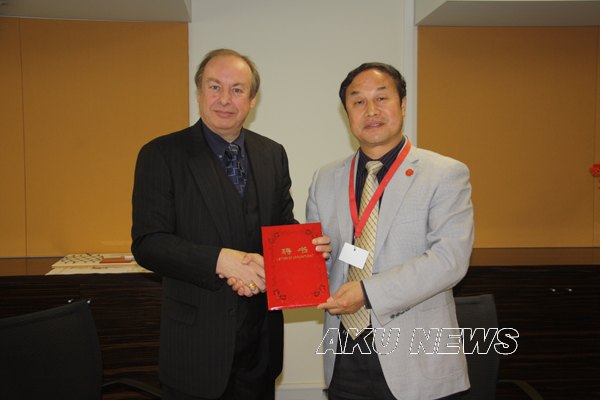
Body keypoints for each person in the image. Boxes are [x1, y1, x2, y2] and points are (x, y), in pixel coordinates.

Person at [131, 48, 330, 400]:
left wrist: (306, 250)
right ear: (199, 93)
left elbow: (281, 227)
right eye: (214, 87)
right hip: (196, 346)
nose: (225, 99)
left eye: (237, 89)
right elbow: (149, 243)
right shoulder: (161, 154)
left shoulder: (272, 154)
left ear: (252, 100)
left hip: (260, 346)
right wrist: (221, 260)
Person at [306, 62, 474, 399]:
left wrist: (367, 292)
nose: (371, 110)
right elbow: (321, 265)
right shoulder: (325, 178)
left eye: (381, 98)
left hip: (418, 359)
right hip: (345, 355)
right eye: (358, 101)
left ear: (403, 104)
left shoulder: (444, 174)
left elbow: (449, 260)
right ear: (347, 113)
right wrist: (311, 262)